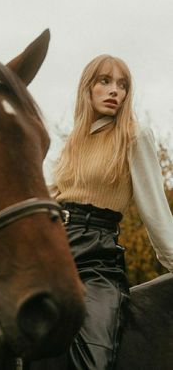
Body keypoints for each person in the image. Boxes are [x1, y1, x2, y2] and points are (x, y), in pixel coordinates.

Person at [49, 54, 173, 370]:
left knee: (93, 357)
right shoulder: (72, 143)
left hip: (96, 261)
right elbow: (48, 201)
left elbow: (156, 212)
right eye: (104, 81)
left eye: (122, 84)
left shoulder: (134, 135)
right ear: (87, 89)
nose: (114, 90)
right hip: (53, 254)